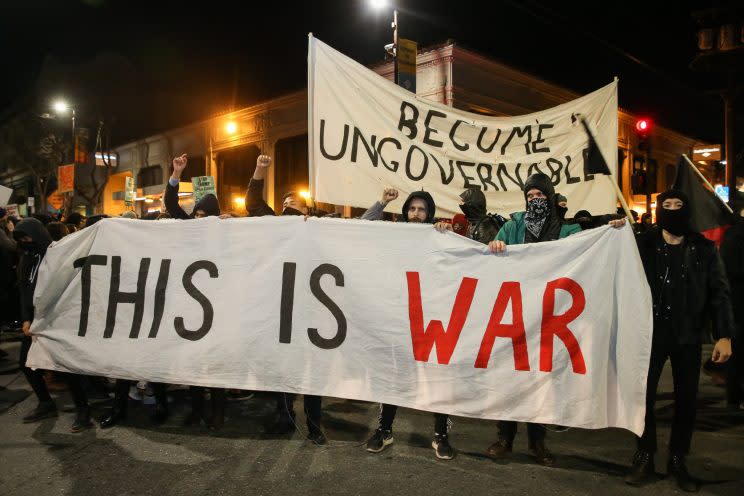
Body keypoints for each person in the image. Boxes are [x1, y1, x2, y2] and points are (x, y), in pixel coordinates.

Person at [625, 189, 734, 492]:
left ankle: (677, 460)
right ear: (659, 210)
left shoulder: (704, 248)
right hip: (650, 333)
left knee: (686, 400)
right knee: (642, 397)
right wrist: (615, 231)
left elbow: (719, 293)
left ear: (686, 210)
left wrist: (724, 335)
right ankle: (644, 455)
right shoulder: (642, 243)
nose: (671, 210)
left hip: (687, 334)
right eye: (666, 205)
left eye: (678, 205)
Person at [362, 186, 455, 460]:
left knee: (437, 375)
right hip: (398, 316)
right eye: (412, 209)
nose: (416, 214)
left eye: (422, 209)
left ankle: (441, 435)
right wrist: (382, 201)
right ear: (405, 212)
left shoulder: (439, 236)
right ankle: (384, 430)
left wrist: (445, 235)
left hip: (430, 317)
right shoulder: (393, 233)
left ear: (430, 214)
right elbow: (362, 228)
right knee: (394, 374)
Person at [244, 154, 326, 444]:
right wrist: (260, 169)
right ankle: (286, 416)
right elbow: (252, 202)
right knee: (284, 369)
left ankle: (315, 426)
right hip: (282, 310)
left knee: (312, 370)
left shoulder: (320, 231)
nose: (289, 205)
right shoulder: (275, 226)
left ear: (307, 211)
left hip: (312, 310)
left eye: (295, 203)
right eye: (285, 203)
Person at [13, 218, 92, 432]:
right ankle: (46, 403)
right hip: (35, 321)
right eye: (21, 239)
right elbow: (24, 292)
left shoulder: (56, 255)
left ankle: (83, 410)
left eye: (28, 237)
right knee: (26, 364)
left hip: (57, 319)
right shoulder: (26, 259)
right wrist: (26, 319)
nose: (26, 242)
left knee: (66, 366)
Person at [164, 153, 221, 219]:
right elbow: (170, 203)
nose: (198, 218)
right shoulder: (189, 222)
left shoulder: (221, 226)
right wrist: (176, 172)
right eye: (196, 214)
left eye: (203, 216)